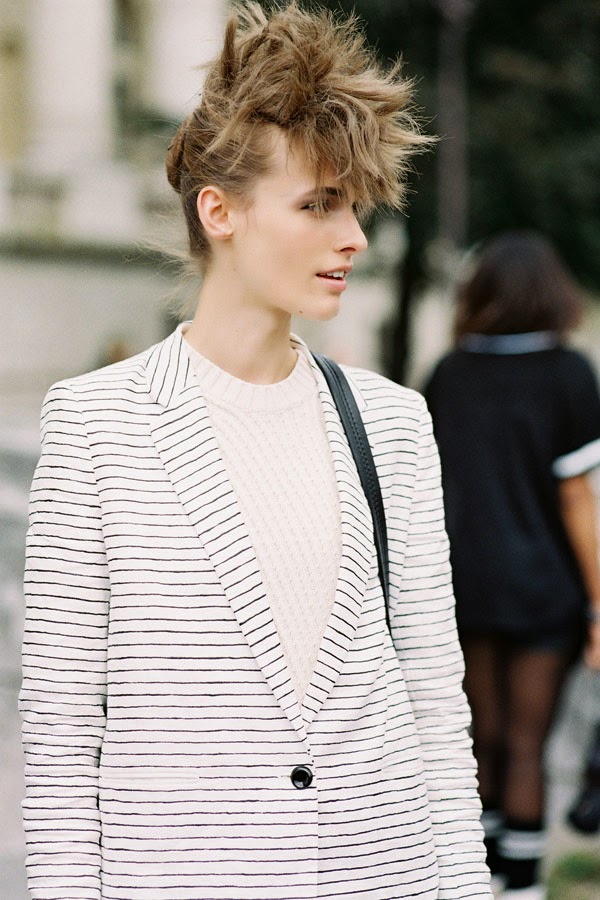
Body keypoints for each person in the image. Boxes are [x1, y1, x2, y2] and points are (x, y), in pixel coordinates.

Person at [20, 3, 491, 898]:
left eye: (353, 205)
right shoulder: (96, 423)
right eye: (317, 204)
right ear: (220, 211)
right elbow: (61, 730)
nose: (353, 237)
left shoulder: (393, 422)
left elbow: (434, 701)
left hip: (381, 873)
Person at [425, 231, 600, 899]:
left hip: (463, 586)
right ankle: (522, 889)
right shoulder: (569, 373)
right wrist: (599, 607)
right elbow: (577, 498)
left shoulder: (450, 373)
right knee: (528, 748)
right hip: (544, 591)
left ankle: (478, 878)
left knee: (482, 742)